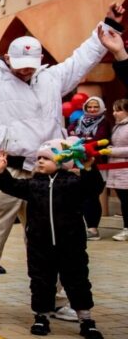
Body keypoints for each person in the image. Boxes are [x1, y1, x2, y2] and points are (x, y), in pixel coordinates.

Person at [0, 0, 126, 323]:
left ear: (40, 61)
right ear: (8, 58)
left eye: (31, 67)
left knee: (53, 239)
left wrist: (108, 25)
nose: (25, 72)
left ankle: (54, 300)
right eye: (20, 67)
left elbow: (83, 57)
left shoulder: (52, 78)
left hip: (46, 174)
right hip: (4, 172)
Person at [0, 143, 104, 339]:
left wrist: (89, 168)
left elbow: (93, 187)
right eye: (39, 158)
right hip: (39, 245)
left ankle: (86, 319)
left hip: (71, 244)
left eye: (46, 158)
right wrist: (1, 171)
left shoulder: (73, 182)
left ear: (61, 162)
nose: (41, 161)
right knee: (40, 280)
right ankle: (41, 317)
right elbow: (11, 186)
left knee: (77, 280)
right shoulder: (34, 184)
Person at [69, 96, 110, 240]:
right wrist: (85, 140)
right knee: (77, 197)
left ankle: (93, 229)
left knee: (91, 196)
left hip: (96, 164)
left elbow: (100, 139)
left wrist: (79, 139)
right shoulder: (78, 120)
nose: (92, 109)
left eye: (96, 107)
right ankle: (81, 228)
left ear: (101, 108)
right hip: (77, 164)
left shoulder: (104, 122)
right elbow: (70, 133)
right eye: (89, 107)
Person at [103, 99, 128, 241]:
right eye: (113, 110)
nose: (114, 113)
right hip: (117, 169)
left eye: (118, 110)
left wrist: (113, 151)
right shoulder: (118, 126)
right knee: (124, 201)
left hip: (125, 169)